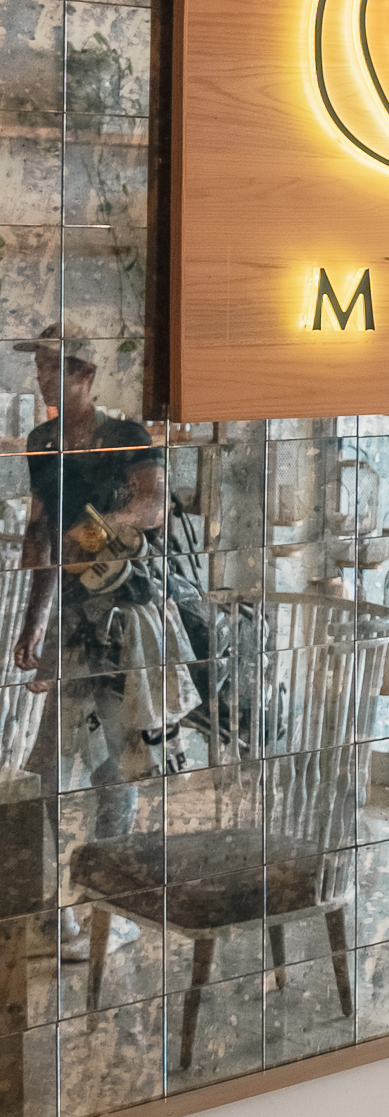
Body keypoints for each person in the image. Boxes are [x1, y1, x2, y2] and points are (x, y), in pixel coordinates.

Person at [12, 323, 179, 935]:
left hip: (120, 613)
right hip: (69, 621)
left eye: (55, 366)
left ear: (86, 373)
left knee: (114, 764)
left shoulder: (125, 437)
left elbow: (153, 505)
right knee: (51, 771)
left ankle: (109, 899)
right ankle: (61, 896)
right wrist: (34, 621)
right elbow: (41, 535)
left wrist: (90, 529)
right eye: (40, 366)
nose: (43, 376)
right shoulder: (42, 441)